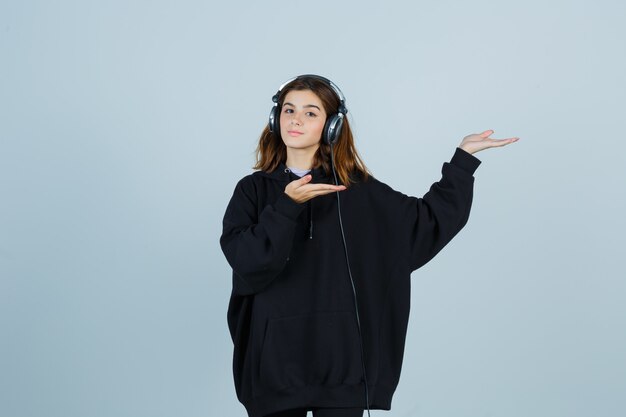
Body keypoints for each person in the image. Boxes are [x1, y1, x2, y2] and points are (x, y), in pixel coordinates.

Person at [220, 74, 519, 417]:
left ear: (332, 126)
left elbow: (426, 223)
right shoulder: (252, 191)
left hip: (344, 369)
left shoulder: (359, 191)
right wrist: (287, 207)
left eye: (310, 112)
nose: (296, 120)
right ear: (276, 118)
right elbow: (248, 261)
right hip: (274, 370)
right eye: (289, 110)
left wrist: (463, 160)